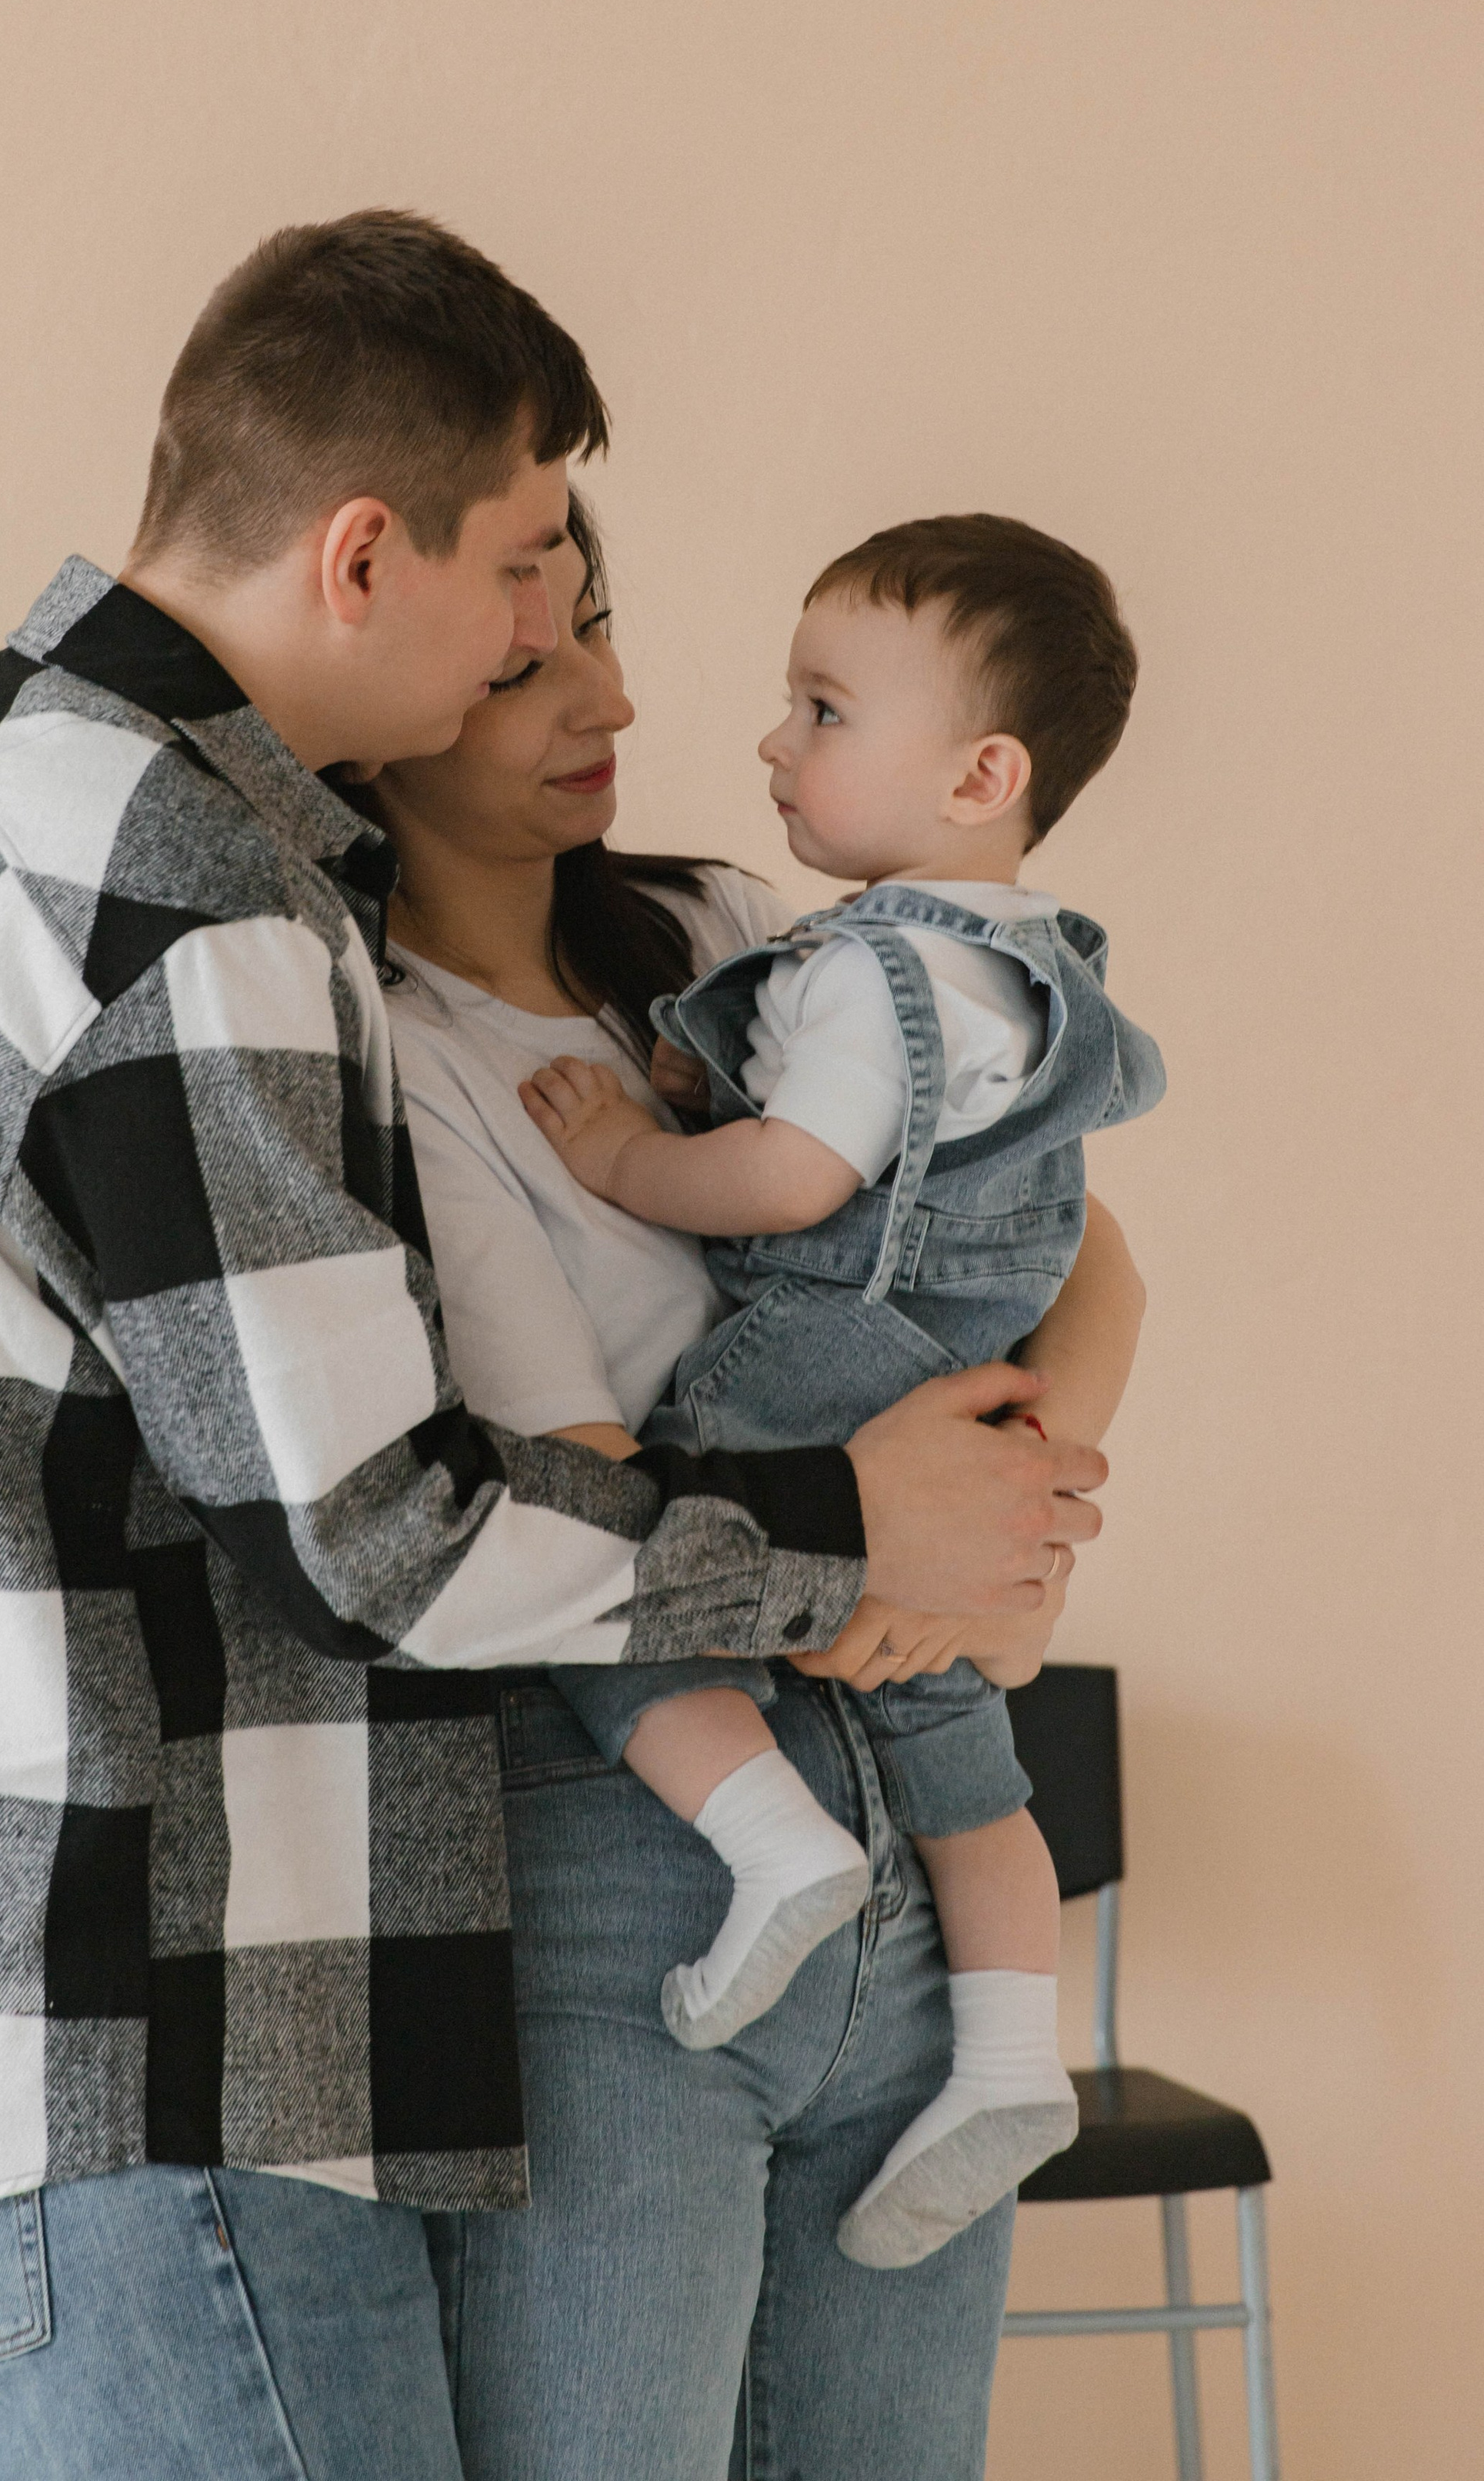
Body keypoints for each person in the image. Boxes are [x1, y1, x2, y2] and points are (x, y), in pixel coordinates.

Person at [0, 215, 1104, 2481]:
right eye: (524, 569)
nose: (558, 634)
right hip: (151, 2048)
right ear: (359, 553)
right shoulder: (185, 890)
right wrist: (843, 1522)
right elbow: (378, 1535)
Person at [368, 501, 1142, 2480]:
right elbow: (578, 1480)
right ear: (385, 685)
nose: (613, 694)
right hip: (640, 1868)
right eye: (527, 656)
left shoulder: (739, 937)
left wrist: (1010, 1534)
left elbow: (1086, 1256)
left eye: (597, 628)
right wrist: (883, 1536)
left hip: (895, 1781)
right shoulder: (389, 1046)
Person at [520, 515, 1162, 2269]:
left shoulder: (866, 962)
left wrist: (636, 1158)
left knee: (635, 1584)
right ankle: (1014, 2056)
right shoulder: (1031, 970)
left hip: (822, 1366)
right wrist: (997, 1517)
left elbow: (793, 1187)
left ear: (977, 772)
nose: (765, 741)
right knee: (968, 1753)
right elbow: (1056, 1238)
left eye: (819, 709)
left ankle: (768, 1841)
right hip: (953, 1375)